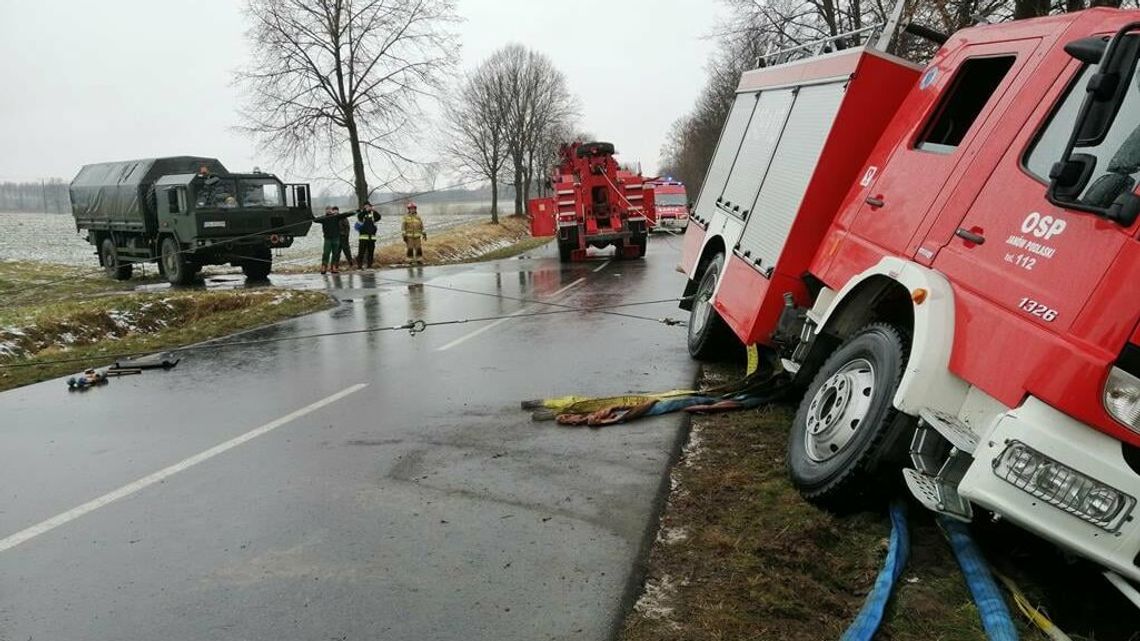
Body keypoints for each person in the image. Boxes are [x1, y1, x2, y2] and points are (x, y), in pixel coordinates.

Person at [316, 206, 343, 274]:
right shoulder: (324, 218)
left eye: (330, 209)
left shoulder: (336, 217)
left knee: (335, 253)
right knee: (326, 253)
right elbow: (315, 220)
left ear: (332, 210)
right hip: (327, 238)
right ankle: (324, 266)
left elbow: (344, 215)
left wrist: (354, 212)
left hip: (336, 238)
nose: (328, 211)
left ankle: (333, 267)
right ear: (325, 211)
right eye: (327, 209)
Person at [356, 201, 381, 269]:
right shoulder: (361, 213)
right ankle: (359, 265)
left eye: (368, 206)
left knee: (371, 252)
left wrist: (373, 210)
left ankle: (369, 265)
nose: (367, 207)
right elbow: (359, 217)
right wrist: (365, 211)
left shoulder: (373, 214)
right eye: (366, 206)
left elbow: (379, 217)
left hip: (371, 237)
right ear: (364, 207)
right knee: (361, 252)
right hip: (363, 237)